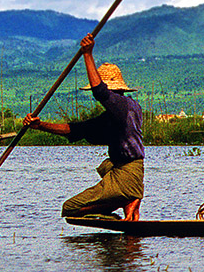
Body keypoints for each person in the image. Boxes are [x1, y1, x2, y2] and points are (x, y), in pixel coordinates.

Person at [23, 33, 144, 220]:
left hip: (127, 176)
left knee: (69, 208)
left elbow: (100, 91)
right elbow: (74, 130)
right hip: (129, 171)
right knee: (105, 166)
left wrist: (87, 54)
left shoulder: (122, 105)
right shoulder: (117, 114)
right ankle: (128, 198)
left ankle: (123, 201)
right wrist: (40, 126)